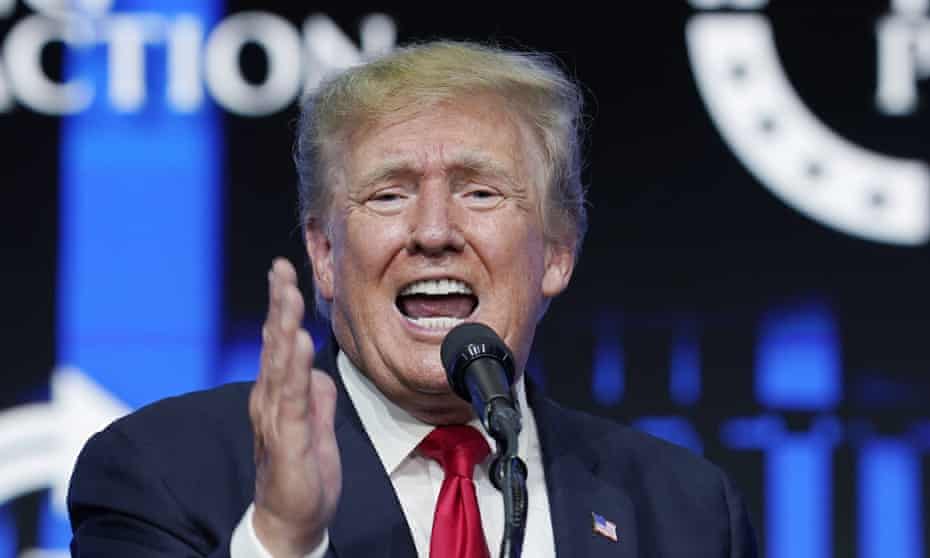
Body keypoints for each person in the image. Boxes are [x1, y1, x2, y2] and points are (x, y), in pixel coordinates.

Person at [67, 40, 758, 557]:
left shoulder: (688, 512)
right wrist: (280, 541)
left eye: (480, 192)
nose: (433, 232)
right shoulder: (161, 470)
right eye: (389, 194)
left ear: (557, 251)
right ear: (325, 254)